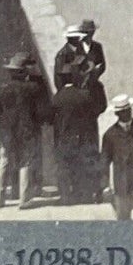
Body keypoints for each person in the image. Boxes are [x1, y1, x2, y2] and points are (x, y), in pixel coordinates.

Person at [0, 54, 50, 209]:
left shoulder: (4, 89)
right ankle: (24, 199)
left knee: (4, 162)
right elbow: (41, 112)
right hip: (26, 130)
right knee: (25, 162)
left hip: (7, 132)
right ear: (25, 72)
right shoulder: (33, 89)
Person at [51, 74, 102, 206]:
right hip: (81, 135)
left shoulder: (57, 98)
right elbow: (94, 111)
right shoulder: (84, 95)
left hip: (64, 137)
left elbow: (51, 117)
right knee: (80, 166)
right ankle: (84, 195)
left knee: (64, 167)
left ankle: (65, 197)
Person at [100, 96, 133, 220]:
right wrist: (105, 186)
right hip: (122, 185)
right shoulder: (110, 134)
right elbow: (104, 161)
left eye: (128, 109)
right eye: (123, 111)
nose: (127, 113)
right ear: (117, 114)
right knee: (123, 220)